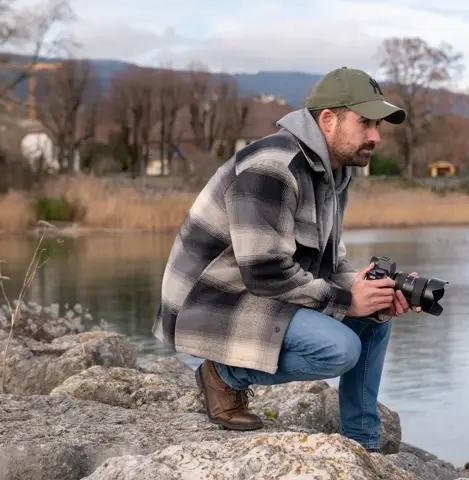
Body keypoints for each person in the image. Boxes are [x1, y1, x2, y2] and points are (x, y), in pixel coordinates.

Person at [152, 66, 420, 453]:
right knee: (338, 349)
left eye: (377, 125)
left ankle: (363, 443)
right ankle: (223, 374)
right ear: (328, 120)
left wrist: (375, 289)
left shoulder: (333, 174)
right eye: (365, 123)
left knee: (375, 315)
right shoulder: (272, 166)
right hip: (212, 301)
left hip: (256, 294)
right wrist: (347, 301)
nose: (376, 136)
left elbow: (327, 266)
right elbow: (265, 273)